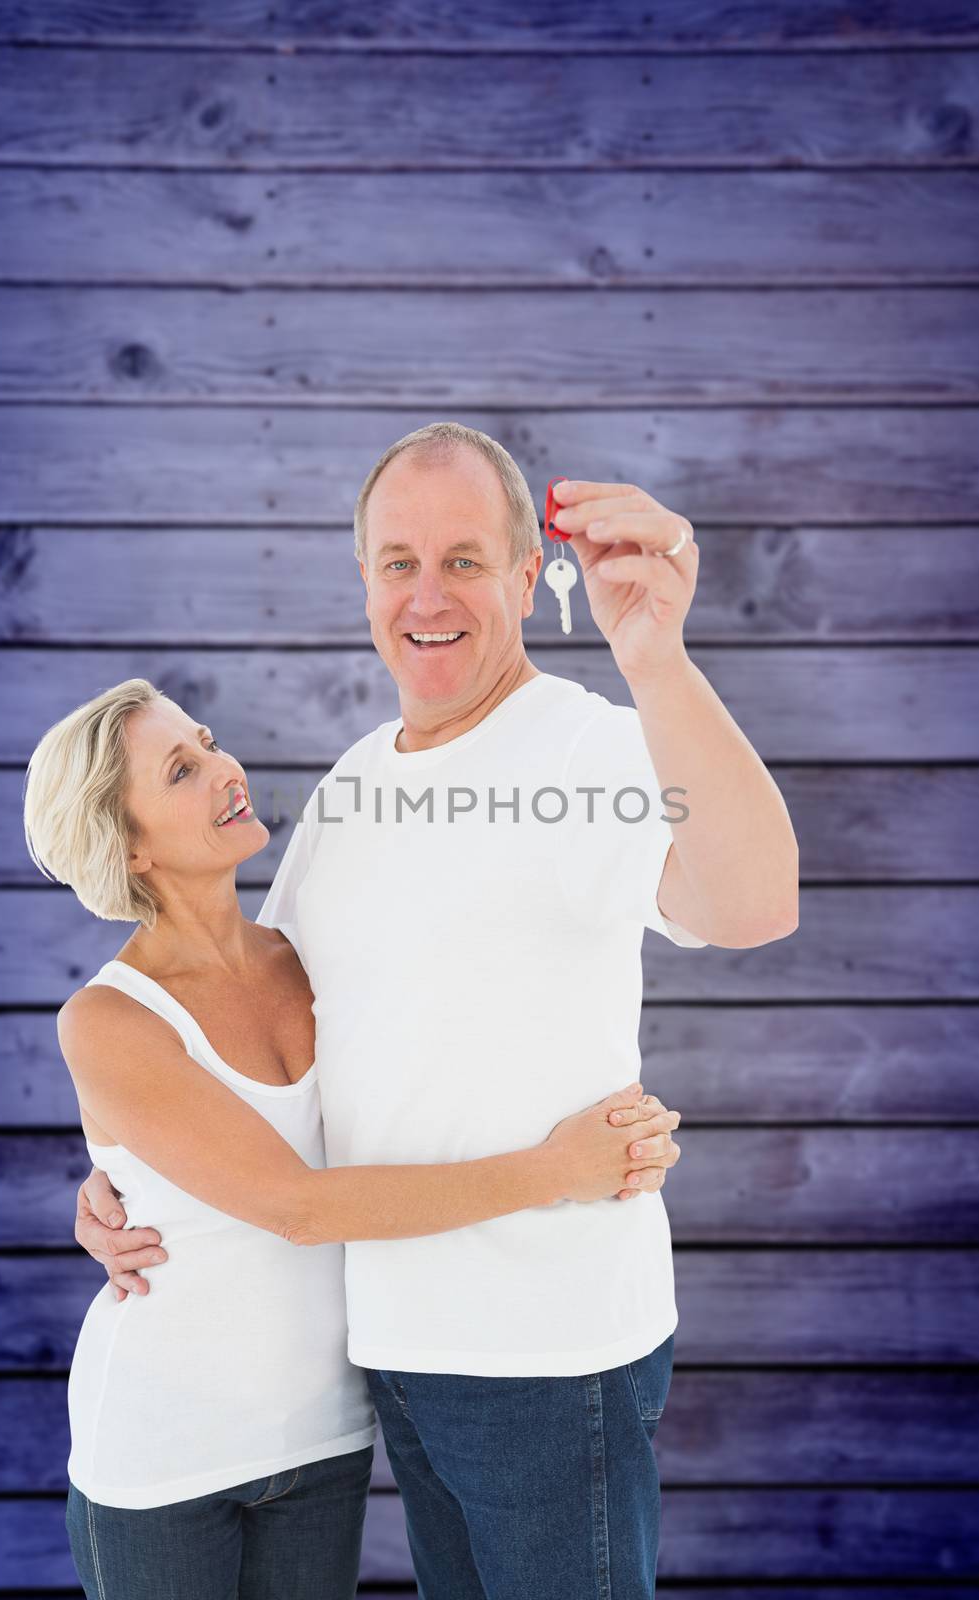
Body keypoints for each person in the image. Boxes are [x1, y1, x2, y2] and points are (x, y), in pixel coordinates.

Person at [77, 422, 798, 1599]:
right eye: (397, 560)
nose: (428, 594)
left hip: (548, 1352)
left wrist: (657, 659)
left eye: (465, 560)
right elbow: (271, 1044)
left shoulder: (592, 749)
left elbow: (757, 902)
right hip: (392, 1356)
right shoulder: (353, 791)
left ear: (526, 578)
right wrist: (123, 1174)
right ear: (362, 579)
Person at [23, 677, 680, 1600]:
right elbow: (296, 1207)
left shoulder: (309, 955)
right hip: (166, 1452)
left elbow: (434, 1070)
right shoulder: (107, 1019)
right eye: (180, 769)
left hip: (324, 1438)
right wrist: (553, 1170)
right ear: (124, 842)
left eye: (208, 742)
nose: (223, 768)